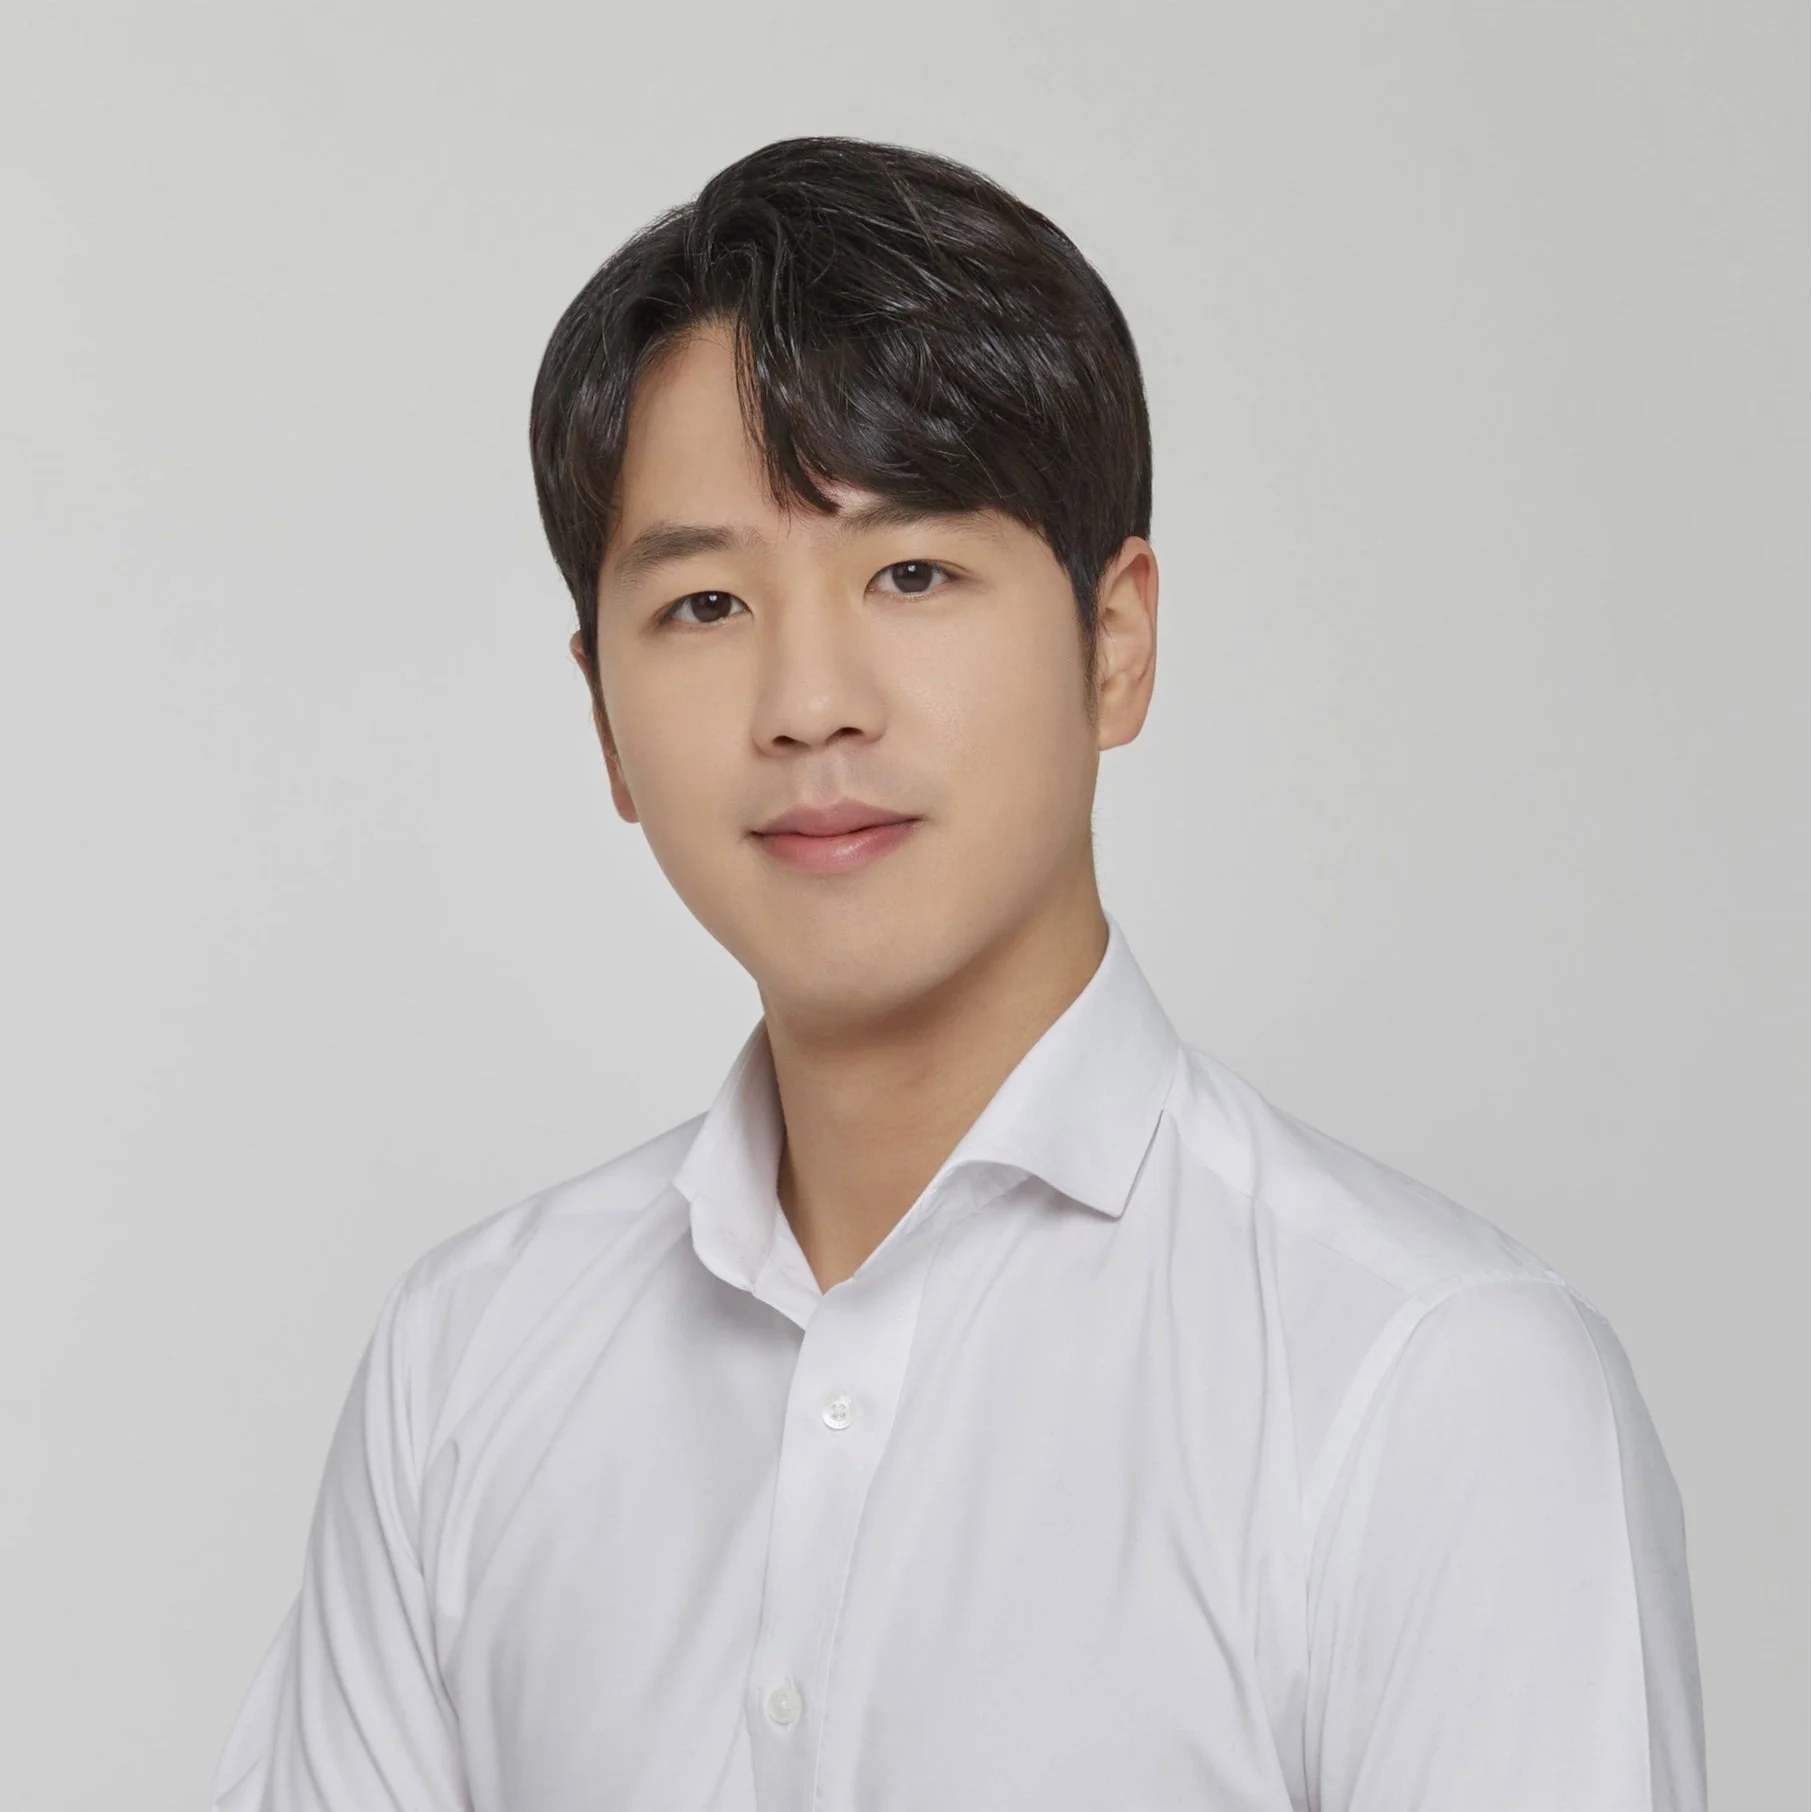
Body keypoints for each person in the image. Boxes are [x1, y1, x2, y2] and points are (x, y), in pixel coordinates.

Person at [212, 136, 1707, 1811]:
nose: (809, 700)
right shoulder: (466, 1370)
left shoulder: (1433, 1386)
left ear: (1115, 641)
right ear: (602, 721)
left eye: (910, 573)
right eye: (704, 605)